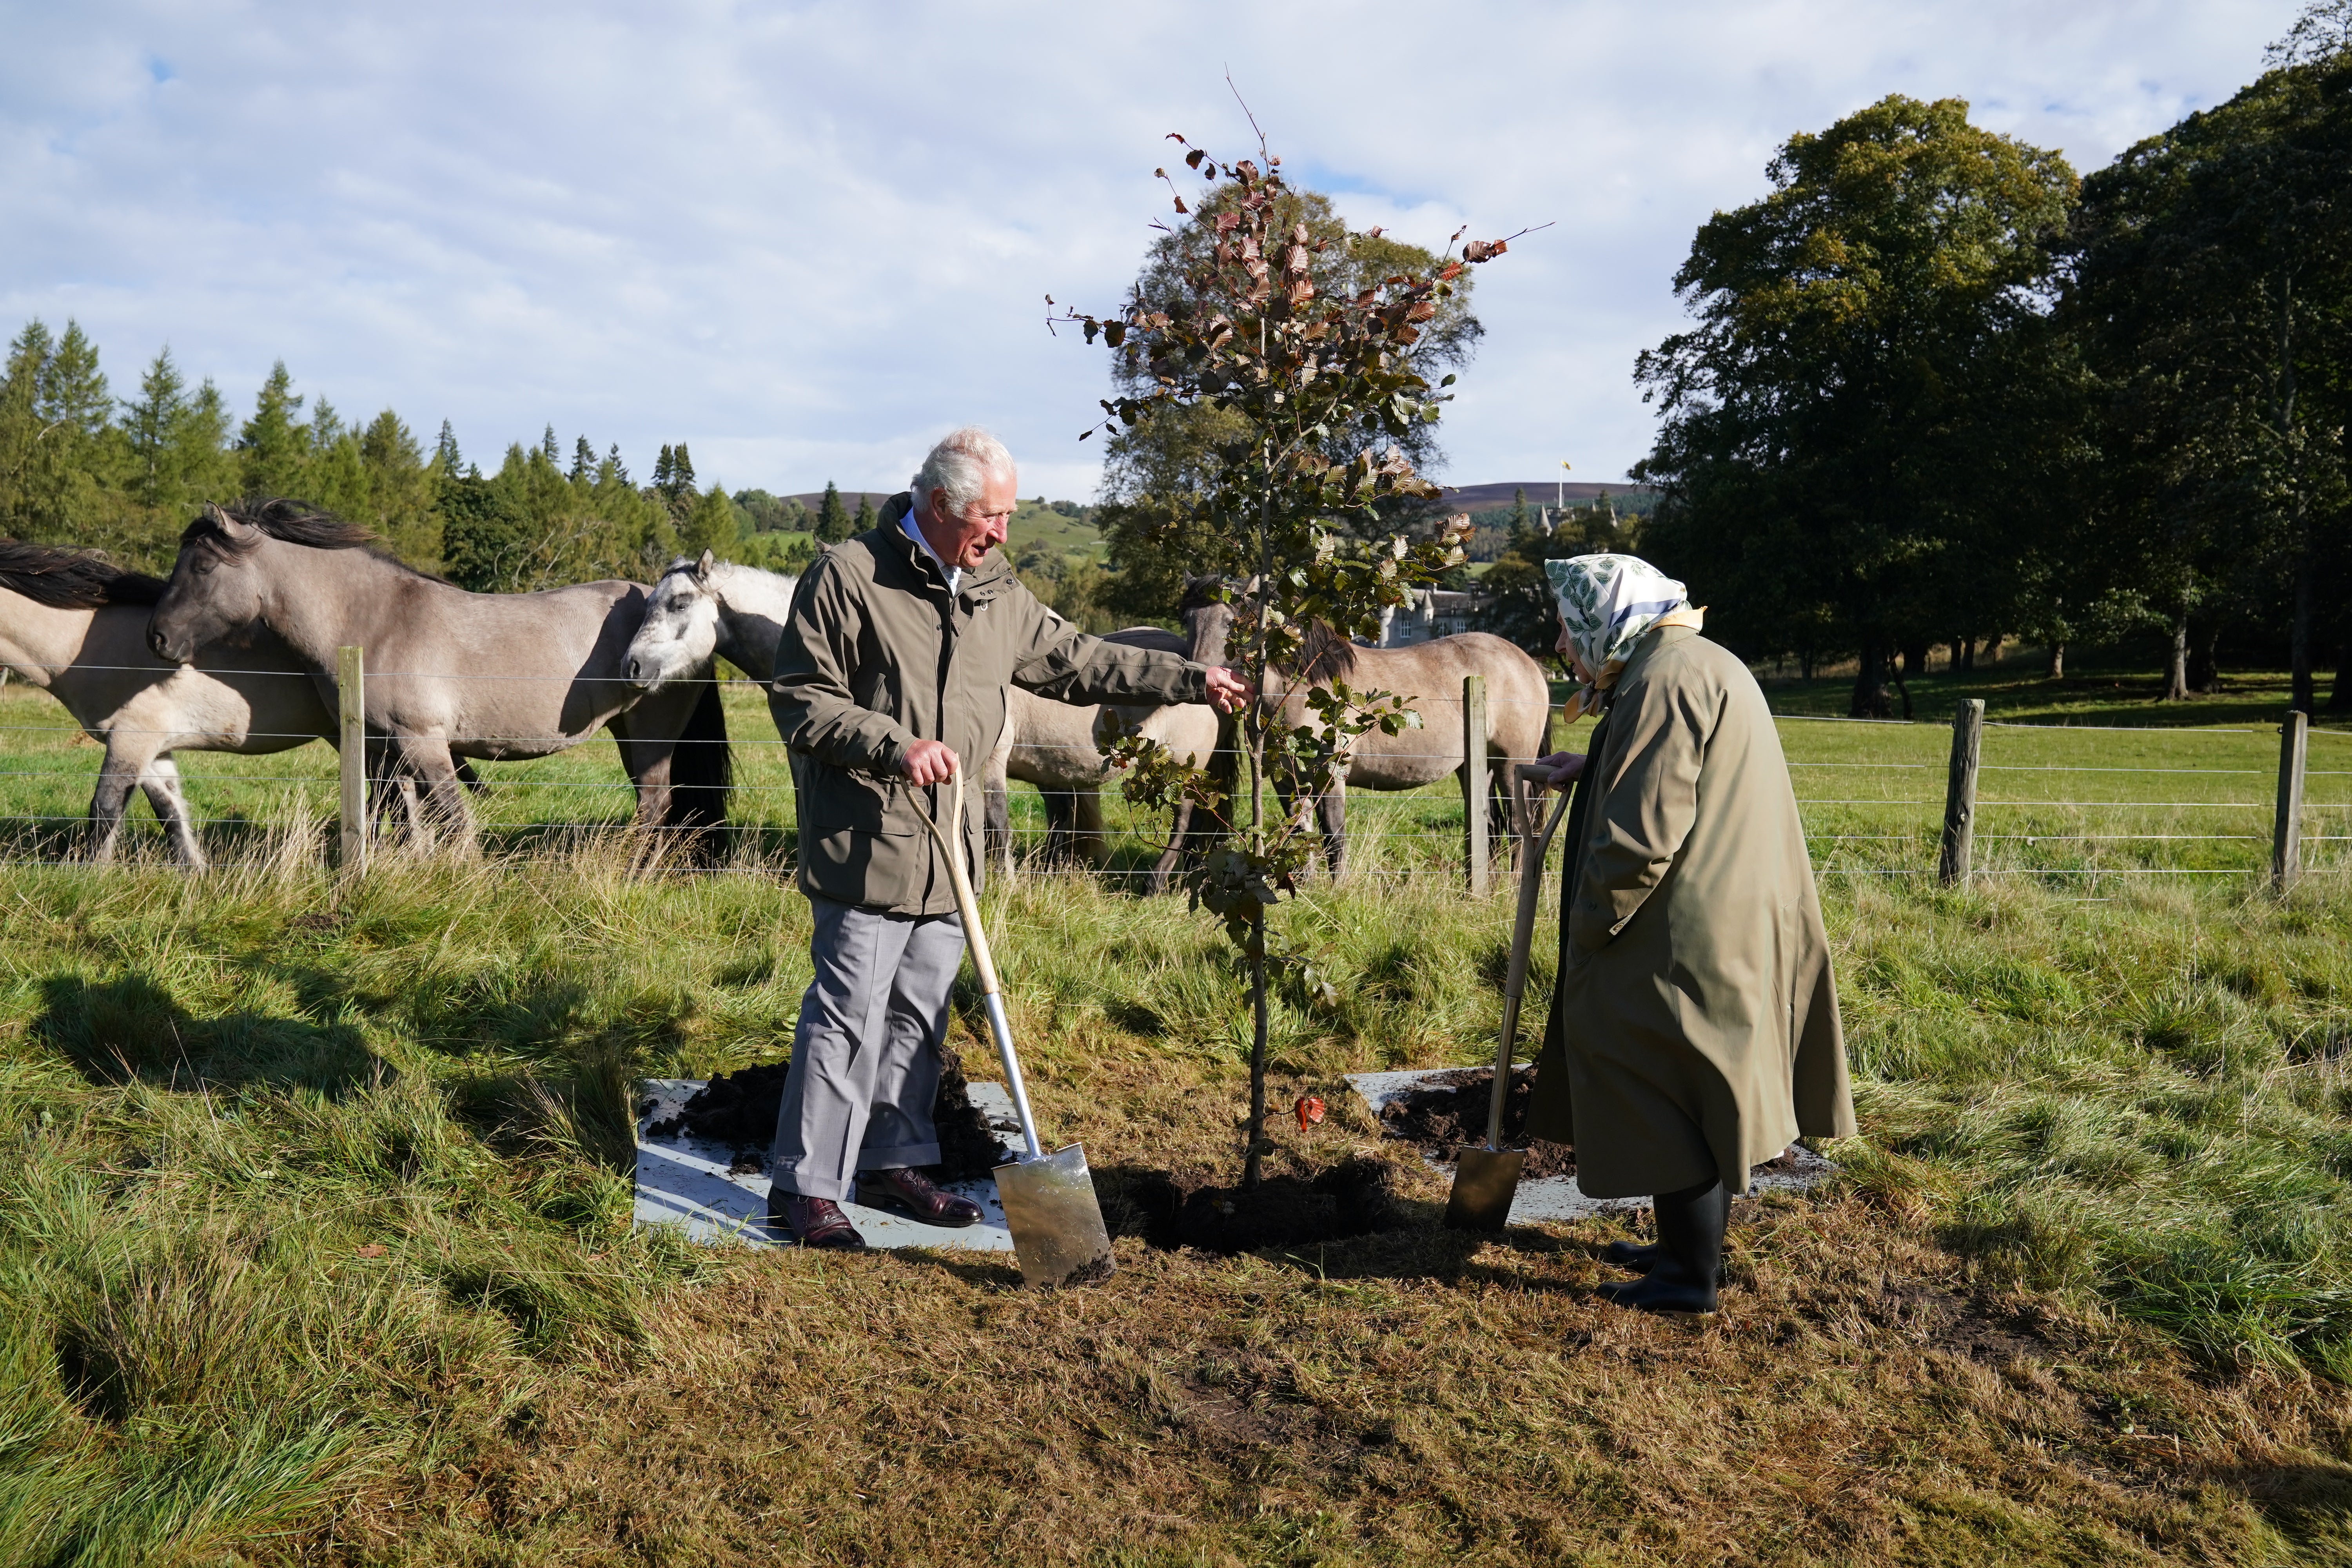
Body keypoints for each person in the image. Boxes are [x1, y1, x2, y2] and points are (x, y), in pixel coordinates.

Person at [763, 427, 1252, 1249]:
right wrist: (893, 743)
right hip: (870, 837)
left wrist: (1189, 677)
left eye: (1010, 517)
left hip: (952, 847)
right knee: (848, 1012)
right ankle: (805, 1188)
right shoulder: (849, 578)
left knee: (920, 1013)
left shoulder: (994, 588)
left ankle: (894, 1159)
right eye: (991, 516)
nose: (1002, 533)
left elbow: (1075, 660)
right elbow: (802, 697)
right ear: (941, 506)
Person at [1526, 554, 1856, 1316]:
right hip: (1721, 909)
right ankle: (1680, 1249)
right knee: (1688, 1083)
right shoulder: (1685, 661)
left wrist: (1589, 923)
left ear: (1606, 617)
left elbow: (1643, 838)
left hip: (1682, 925)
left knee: (1665, 1082)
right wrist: (1596, 760)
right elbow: (1674, 769)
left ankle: (1686, 1279)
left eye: (1572, 626)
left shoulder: (1663, 680)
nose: (1564, 642)